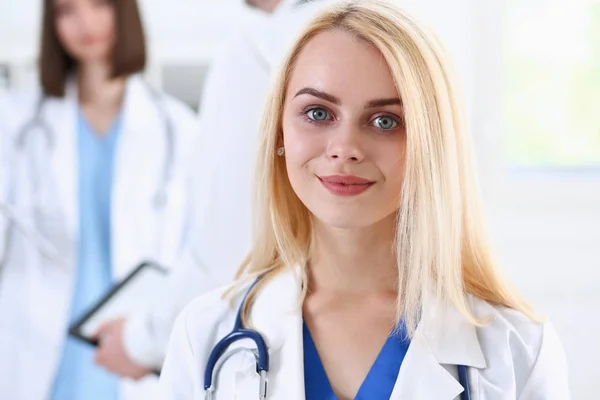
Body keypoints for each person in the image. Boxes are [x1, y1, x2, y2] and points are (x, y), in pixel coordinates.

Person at [158, 0, 571, 398]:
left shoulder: (518, 351)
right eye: (318, 113)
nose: (345, 148)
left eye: (384, 121)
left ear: (431, 145)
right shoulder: (204, 336)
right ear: (280, 133)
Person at [92, 0, 325, 378]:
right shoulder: (367, 23)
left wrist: (141, 340)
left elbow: (227, 245)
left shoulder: (254, 49)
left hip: (284, 329)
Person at [0, 0, 198, 399]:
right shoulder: (16, 122)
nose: (84, 22)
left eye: (99, 5)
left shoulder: (178, 130)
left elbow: (192, 257)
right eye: (65, 11)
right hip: (34, 342)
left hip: (130, 343)